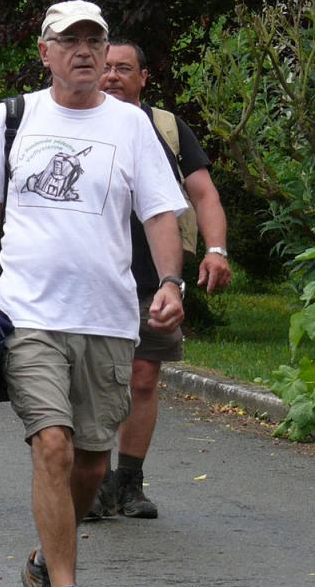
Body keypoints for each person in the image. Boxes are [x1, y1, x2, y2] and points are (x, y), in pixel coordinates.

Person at [0, 0, 186, 587]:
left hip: (109, 320)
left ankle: (40, 561)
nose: (85, 51)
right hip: (30, 314)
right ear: (46, 51)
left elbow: (160, 214)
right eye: (71, 41)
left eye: (95, 40)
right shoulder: (12, 119)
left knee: (90, 463)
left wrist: (170, 282)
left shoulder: (132, 127)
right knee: (53, 446)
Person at [88, 39, 233, 519]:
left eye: (123, 68)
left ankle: (128, 480)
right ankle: (94, 478)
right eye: (106, 67)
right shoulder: (75, 120)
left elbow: (203, 192)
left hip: (153, 276)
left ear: (144, 78)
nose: (111, 76)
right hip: (90, 274)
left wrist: (215, 250)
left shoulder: (166, 127)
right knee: (89, 379)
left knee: (143, 377)